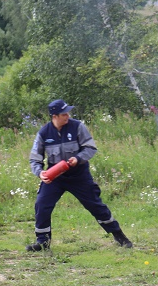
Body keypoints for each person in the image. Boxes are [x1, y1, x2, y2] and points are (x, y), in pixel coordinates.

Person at [27, 99, 132, 251]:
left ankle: (119, 236)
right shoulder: (44, 133)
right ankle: (43, 243)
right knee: (41, 205)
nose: (67, 116)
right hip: (55, 177)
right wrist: (40, 173)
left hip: (79, 176)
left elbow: (90, 148)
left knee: (96, 206)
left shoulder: (77, 127)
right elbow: (34, 158)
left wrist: (78, 158)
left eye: (68, 112)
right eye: (64, 113)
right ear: (54, 116)